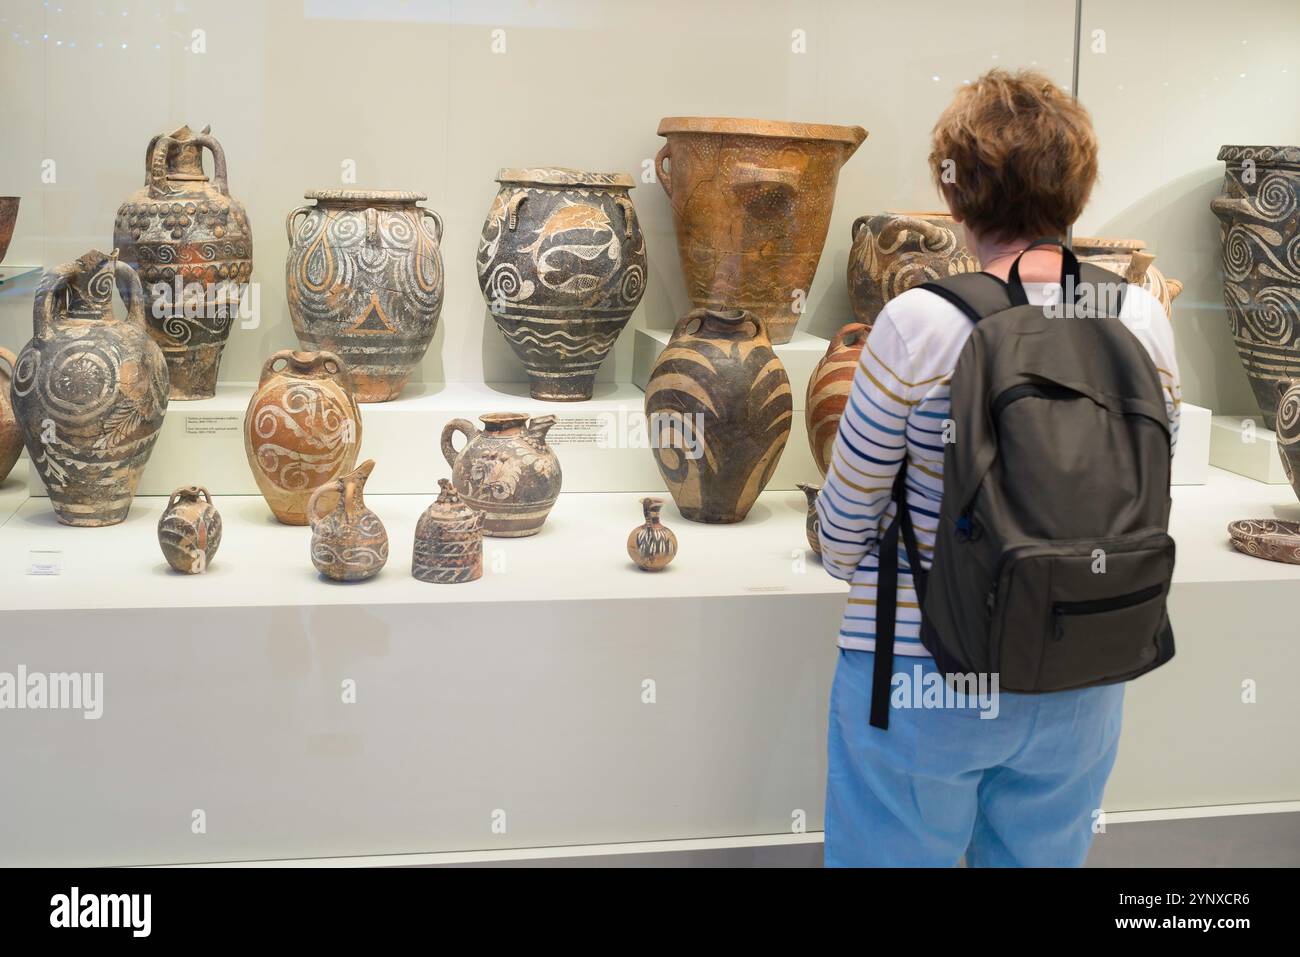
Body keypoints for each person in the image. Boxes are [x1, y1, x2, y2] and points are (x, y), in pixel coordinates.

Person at [815, 68, 1181, 867]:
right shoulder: (1142, 317)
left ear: (955, 198)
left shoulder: (918, 322)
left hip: (926, 675)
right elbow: (1154, 485)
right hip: (1085, 663)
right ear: (1078, 192)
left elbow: (844, 532)